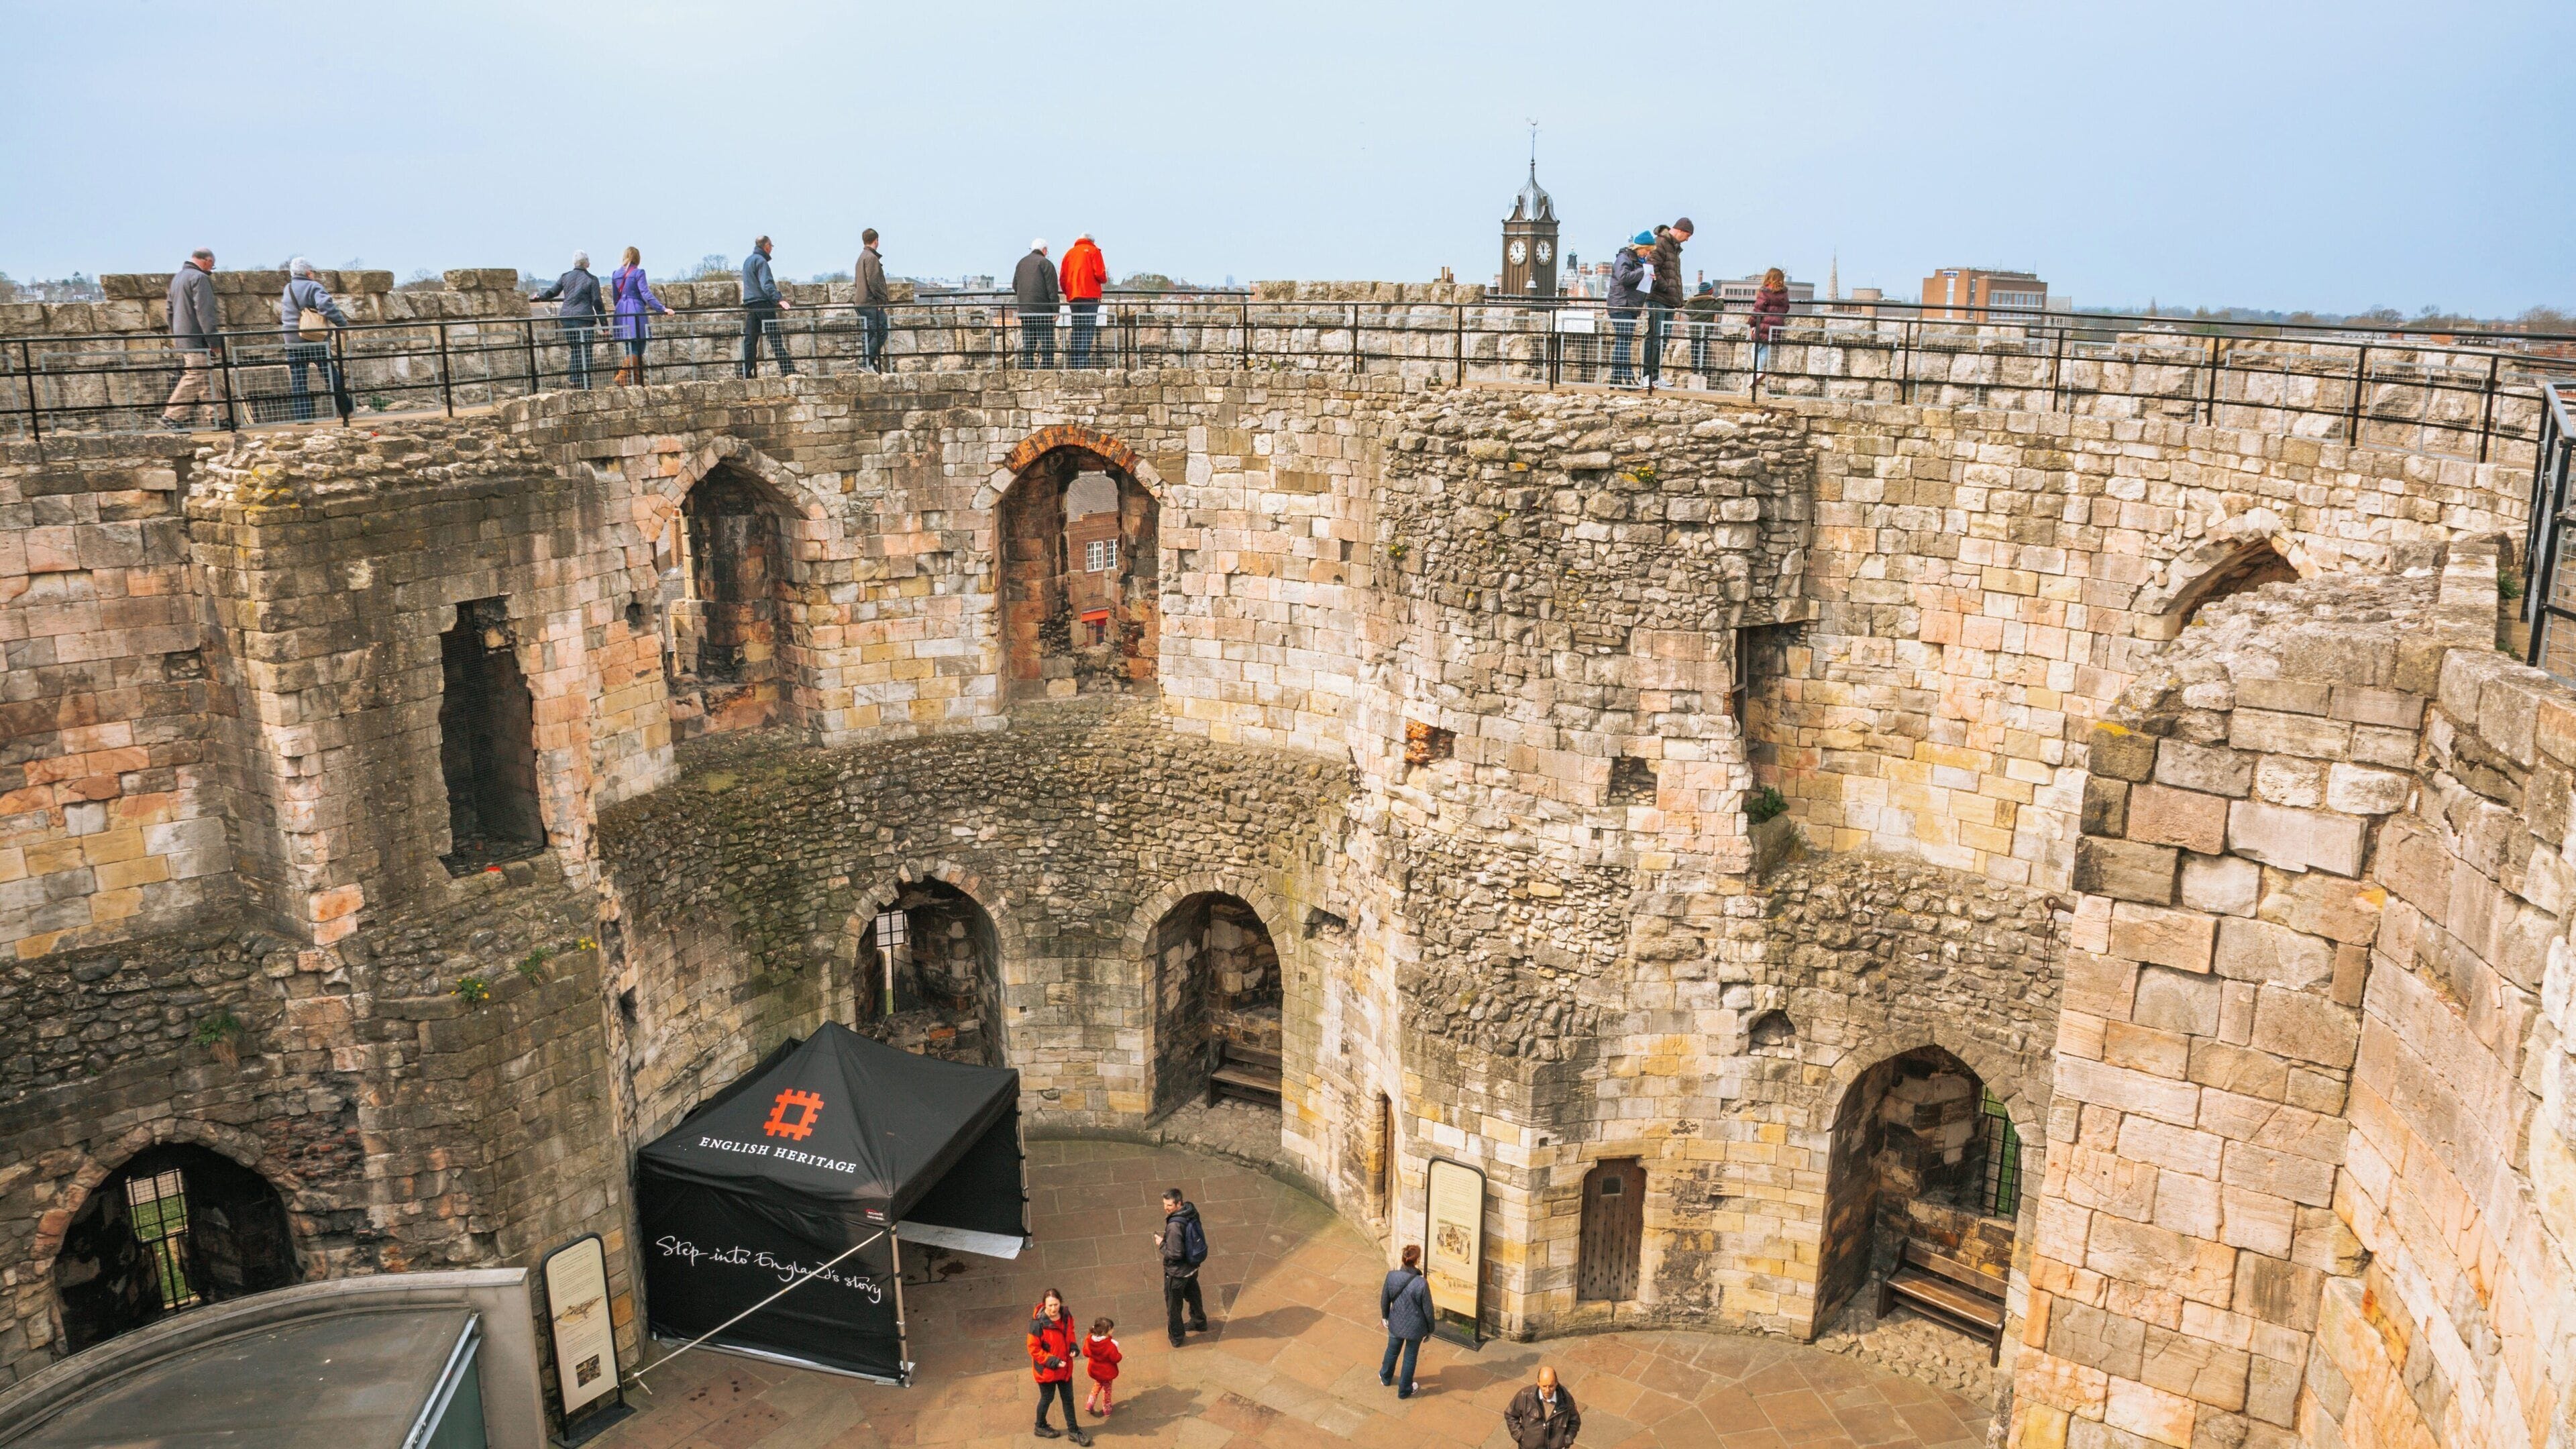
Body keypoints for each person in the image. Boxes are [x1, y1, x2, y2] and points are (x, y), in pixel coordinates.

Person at [159, 248, 225, 431]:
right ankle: (171, 416)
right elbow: (205, 313)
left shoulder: (178, 278)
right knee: (196, 375)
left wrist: (177, 336)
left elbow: (169, 311)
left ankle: (219, 417)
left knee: (205, 377)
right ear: (208, 261)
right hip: (197, 338)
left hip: (184, 337)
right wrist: (214, 342)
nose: (211, 269)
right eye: (212, 266)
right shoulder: (200, 278)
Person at [279, 258, 350, 422]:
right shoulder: (314, 286)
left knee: (299, 380)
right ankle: (346, 411)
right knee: (331, 376)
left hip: (292, 339)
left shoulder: (287, 288)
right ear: (309, 273)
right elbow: (326, 306)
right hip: (314, 338)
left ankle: (303, 418)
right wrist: (342, 324)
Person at [531, 251, 604, 389]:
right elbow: (597, 302)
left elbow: (552, 292)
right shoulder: (592, 279)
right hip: (584, 318)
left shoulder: (566, 277)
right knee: (586, 351)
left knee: (576, 349)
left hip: (567, 318)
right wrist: (605, 325)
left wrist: (539, 296)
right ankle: (584, 384)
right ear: (586, 263)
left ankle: (575, 380)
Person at [1026, 1289, 1090, 1444]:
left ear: (1060, 1302)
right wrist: (1053, 1361)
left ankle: (1073, 1430)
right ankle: (1040, 1426)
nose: (1053, 1309)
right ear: (1044, 1305)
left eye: (1056, 1304)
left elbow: (1071, 1333)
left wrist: (1073, 1347)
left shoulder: (1067, 1316)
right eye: (1050, 1306)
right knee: (1047, 1398)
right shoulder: (1037, 1324)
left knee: (1068, 1398)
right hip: (1047, 1370)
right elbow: (1033, 1349)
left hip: (1065, 1367)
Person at [1152, 1187, 1209, 1347]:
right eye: (1164, 1204)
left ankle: (1176, 1337)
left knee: (1173, 1305)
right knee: (1193, 1294)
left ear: (1178, 1203)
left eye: (1169, 1205)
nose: (1166, 1208)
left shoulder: (1174, 1225)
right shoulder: (1191, 1211)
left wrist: (1162, 1243)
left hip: (1177, 1272)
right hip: (1192, 1266)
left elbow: (1175, 1253)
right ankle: (1199, 1321)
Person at [1378, 1244, 1434, 1399]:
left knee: (1392, 1350)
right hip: (1415, 1328)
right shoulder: (1421, 1283)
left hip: (1396, 1323)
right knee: (1410, 1357)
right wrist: (1431, 1330)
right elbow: (1428, 1310)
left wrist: (1385, 1316)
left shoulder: (1391, 1276)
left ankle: (1385, 1377)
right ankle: (1404, 1389)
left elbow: (1385, 1299)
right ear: (1418, 1261)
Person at [608, 247, 668, 388]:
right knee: (639, 346)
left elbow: (615, 297)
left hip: (621, 310)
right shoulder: (639, 273)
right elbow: (646, 294)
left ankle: (638, 383)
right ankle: (623, 375)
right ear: (638, 258)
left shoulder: (616, 274)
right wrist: (662, 308)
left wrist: (621, 308)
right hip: (635, 309)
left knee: (630, 348)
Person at [739, 236, 796, 378]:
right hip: (762, 303)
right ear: (766, 246)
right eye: (771, 246)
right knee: (775, 338)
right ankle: (788, 370)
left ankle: (745, 372)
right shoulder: (761, 261)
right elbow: (766, 284)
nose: (771, 249)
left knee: (750, 339)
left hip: (751, 303)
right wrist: (779, 299)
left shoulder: (748, 261)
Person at [1646, 218, 1691, 387]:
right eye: (1687, 235)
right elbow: (1652, 268)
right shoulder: (1661, 243)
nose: (1688, 239)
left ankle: (1655, 376)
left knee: (1662, 339)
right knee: (1655, 338)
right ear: (1680, 231)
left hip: (1669, 300)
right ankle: (1648, 376)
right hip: (1658, 298)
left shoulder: (1673, 247)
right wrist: (1665, 286)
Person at [1607, 233, 1653, 387]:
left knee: (1623, 342)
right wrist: (1644, 272)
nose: (1648, 254)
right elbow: (1624, 277)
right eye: (1647, 250)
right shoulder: (1624, 258)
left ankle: (1615, 378)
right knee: (1624, 343)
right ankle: (1627, 378)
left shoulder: (1638, 261)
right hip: (1621, 305)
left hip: (1630, 306)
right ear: (1639, 248)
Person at [1059, 233, 1106, 369]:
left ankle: (1074, 363)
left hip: (1074, 296)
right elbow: (1100, 275)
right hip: (1090, 296)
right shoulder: (1094, 251)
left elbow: (1062, 278)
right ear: (1092, 241)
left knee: (1077, 329)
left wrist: (1068, 291)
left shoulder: (1069, 253)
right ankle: (1083, 364)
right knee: (1087, 329)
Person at [1504, 1366, 1581, 1449]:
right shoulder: (1525, 1396)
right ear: (1538, 1383)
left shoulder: (1566, 1400)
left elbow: (1574, 1421)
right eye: (1544, 1386)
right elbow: (1510, 1414)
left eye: (1551, 1386)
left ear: (1556, 1383)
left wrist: (1566, 1440)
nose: (1547, 1390)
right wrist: (1521, 1437)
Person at [1014, 239, 1059, 368]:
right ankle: (1047, 368)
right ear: (1044, 250)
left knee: (1028, 341)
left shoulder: (1021, 263)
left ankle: (1028, 367)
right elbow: (1052, 289)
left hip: (1025, 310)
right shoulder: (1046, 263)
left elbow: (1015, 285)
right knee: (1046, 342)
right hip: (1042, 310)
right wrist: (1055, 308)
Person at [856, 228, 890, 372]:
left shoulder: (862, 257)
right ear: (876, 240)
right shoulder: (871, 258)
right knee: (881, 331)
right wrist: (881, 300)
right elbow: (874, 282)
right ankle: (866, 362)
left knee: (871, 333)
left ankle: (869, 364)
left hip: (862, 301)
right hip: (870, 302)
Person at [1749, 266, 1791, 372]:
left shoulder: (1765, 292)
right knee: (1765, 349)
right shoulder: (1784, 293)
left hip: (1763, 325)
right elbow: (1786, 308)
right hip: (1776, 326)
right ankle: (1759, 371)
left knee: (1755, 348)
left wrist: (1751, 323)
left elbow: (1758, 310)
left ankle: (1758, 372)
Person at [1081, 1316, 1121, 1419]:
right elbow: (1115, 1358)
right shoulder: (1110, 1346)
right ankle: (1107, 1407)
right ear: (1105, 1331)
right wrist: (1119, 1354)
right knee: (1107, 1388)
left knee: (1098, 1384)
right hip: (1107, 1372)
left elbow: (1086, 1353)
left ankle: (1090, 1402)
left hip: (1095, 1369)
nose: (1113, 1330)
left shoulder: (1089, 1340)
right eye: (1111, 1329)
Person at [1685, 280, 1723, 378]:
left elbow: (1687, 310)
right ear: (1710, 291)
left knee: (1694, 350)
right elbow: (1719, 308)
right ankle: (1701, 370)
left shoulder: (1692, 302)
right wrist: (1720, 299)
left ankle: (1695, 370)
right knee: (1703, 350)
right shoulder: (1710, 302)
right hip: (1704, 331)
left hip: (1693, 331)